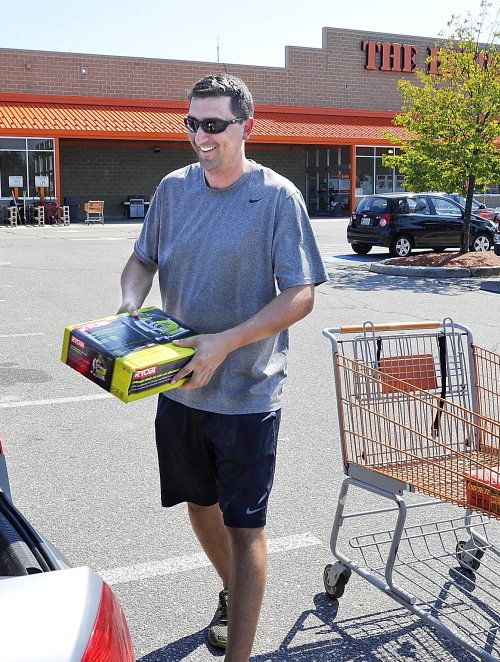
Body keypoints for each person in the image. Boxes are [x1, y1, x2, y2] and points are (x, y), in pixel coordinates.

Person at [117, 73, 327, 661]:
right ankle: (235, 593)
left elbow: (301, 295)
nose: (201, 136)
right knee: (199, 504)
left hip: (247, 394)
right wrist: (131, 304)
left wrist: (225, 343)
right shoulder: (172, 190)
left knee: (245, 526)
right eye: (192, 123)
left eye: (214, 124)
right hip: (179, 387)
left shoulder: (276, 197)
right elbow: (141, 261)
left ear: (245, 127)